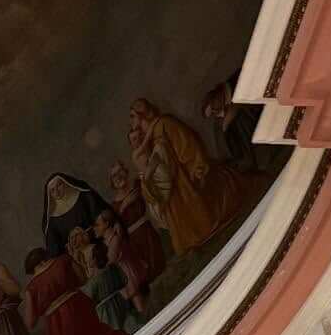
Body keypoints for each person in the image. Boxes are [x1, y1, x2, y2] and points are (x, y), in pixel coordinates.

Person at [128, 96, 261, 257]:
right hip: (173, 187)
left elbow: (186, 144)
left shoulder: (164, 124)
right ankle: (193, 245)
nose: (131, 120)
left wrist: (197, 167)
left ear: (142, 115)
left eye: (132, 116)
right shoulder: (147, 138)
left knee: (205, 208)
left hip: (183, 179)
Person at [20, 246, 125, 335]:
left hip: (57, 322)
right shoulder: (64, 261)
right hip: (79, 306)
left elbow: (30, 323)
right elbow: (82, 279)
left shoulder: (31, 288)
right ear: (44, 258)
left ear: (34, 268)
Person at [108, 159, 166, 290]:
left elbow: (152, 188)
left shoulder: (137, 185)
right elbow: (117, 227)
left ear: (125, 171)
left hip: (148, 231)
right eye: (114, 175)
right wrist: (124, 206)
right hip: (133, 240)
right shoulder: (114, 206)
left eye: (120, 172)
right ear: (111, 181)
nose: (118, 177)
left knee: (159, 265)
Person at [40, 171, 111, 256]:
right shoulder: (52, 220)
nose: (57, 192)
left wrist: (87, 235)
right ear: (50, 195)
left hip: (101, 245)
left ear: (66, 183)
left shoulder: (84, 196)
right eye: (52, 190)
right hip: (75, 258)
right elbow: (55, 251)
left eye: (59, 185)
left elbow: (103, 218)